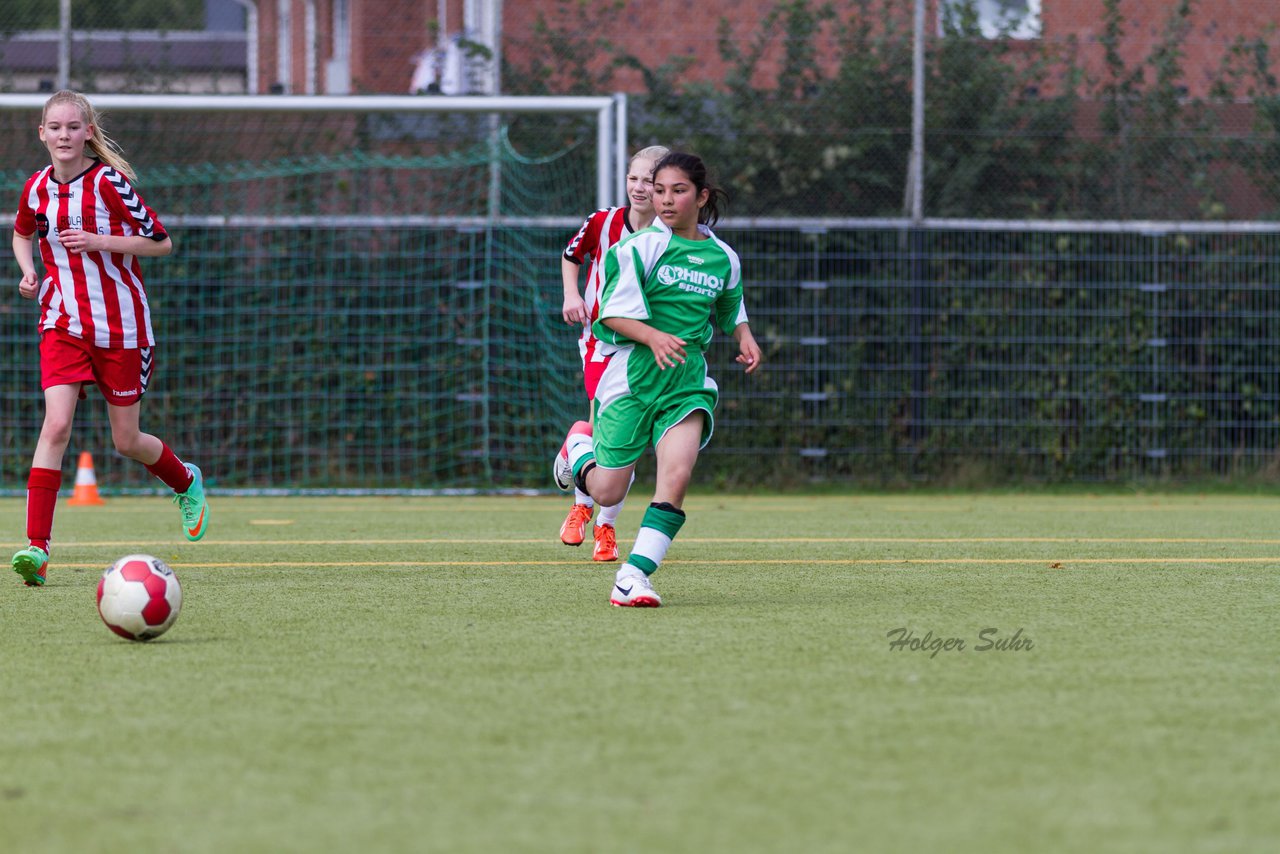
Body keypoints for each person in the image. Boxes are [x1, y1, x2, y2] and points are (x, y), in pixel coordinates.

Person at [10, 90, 209, 587]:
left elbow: (161, 243)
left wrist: (101, 241)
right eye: (54, 127)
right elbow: (21, 232)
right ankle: (37, 549)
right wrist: (27, 270)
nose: (63, 135)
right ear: (42, 133)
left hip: (122, 329)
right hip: (62, 323)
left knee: (126, 441)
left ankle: (186, 481)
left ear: (88, 133)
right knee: (56, 427)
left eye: (73, 127)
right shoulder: (36, 188)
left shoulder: (109, 184)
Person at [553, 151, 762, 606]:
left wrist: (743, 334)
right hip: (631, 377)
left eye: (678, 190)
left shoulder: (723, 257)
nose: (665, 200)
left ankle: (634, 576)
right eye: (659, 190)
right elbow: (609, 313)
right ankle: (578, 448)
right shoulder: (638, 248)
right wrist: (653, 336)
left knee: (677, 475)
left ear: (702, 196)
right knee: (607, 488)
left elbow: (730, 304)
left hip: (686, 382)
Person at [558, 144, 669, 562]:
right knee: (608, 435)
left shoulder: (670, 234)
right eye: (634, 179)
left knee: (632, 438)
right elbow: (572, 256)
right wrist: (573, 295)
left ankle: (604, 523)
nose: (640, 189)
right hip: (602, 342)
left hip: (647, 346)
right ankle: (586, 511)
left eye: (650, 182)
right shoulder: (603, 222)